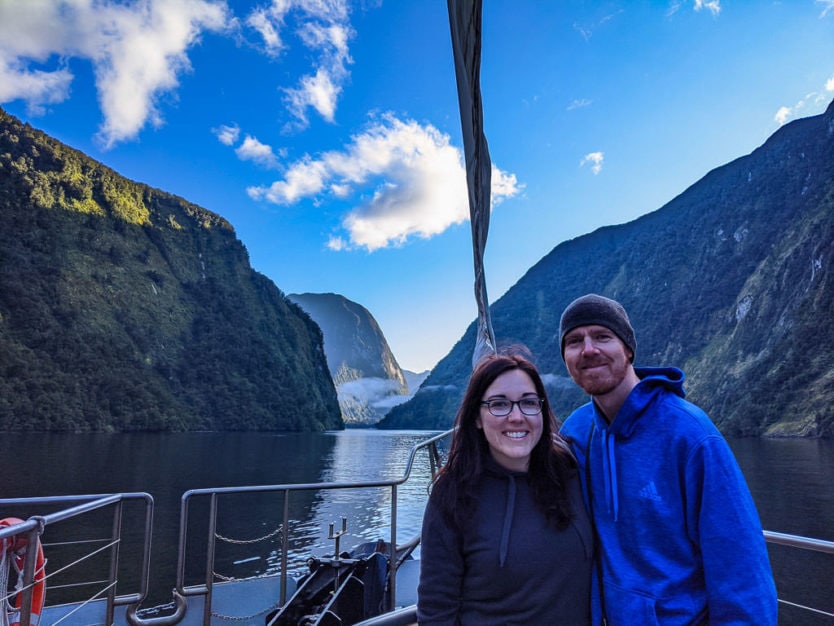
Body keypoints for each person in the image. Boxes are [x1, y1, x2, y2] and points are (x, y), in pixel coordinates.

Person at [558, 293, 778, 625]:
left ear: (628, 349)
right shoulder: (576, 432)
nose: (588, 349)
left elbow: (739, 562)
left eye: (602, 336)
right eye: (574, 341)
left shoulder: (690, 435)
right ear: (565, 358)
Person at [417, 351, 593, 625]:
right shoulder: (452, 494)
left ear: (542, 412)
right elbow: (436, 608)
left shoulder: (572, 472)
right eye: (499, 404)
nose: (516, 416)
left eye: (528, 403)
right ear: (477, 417)